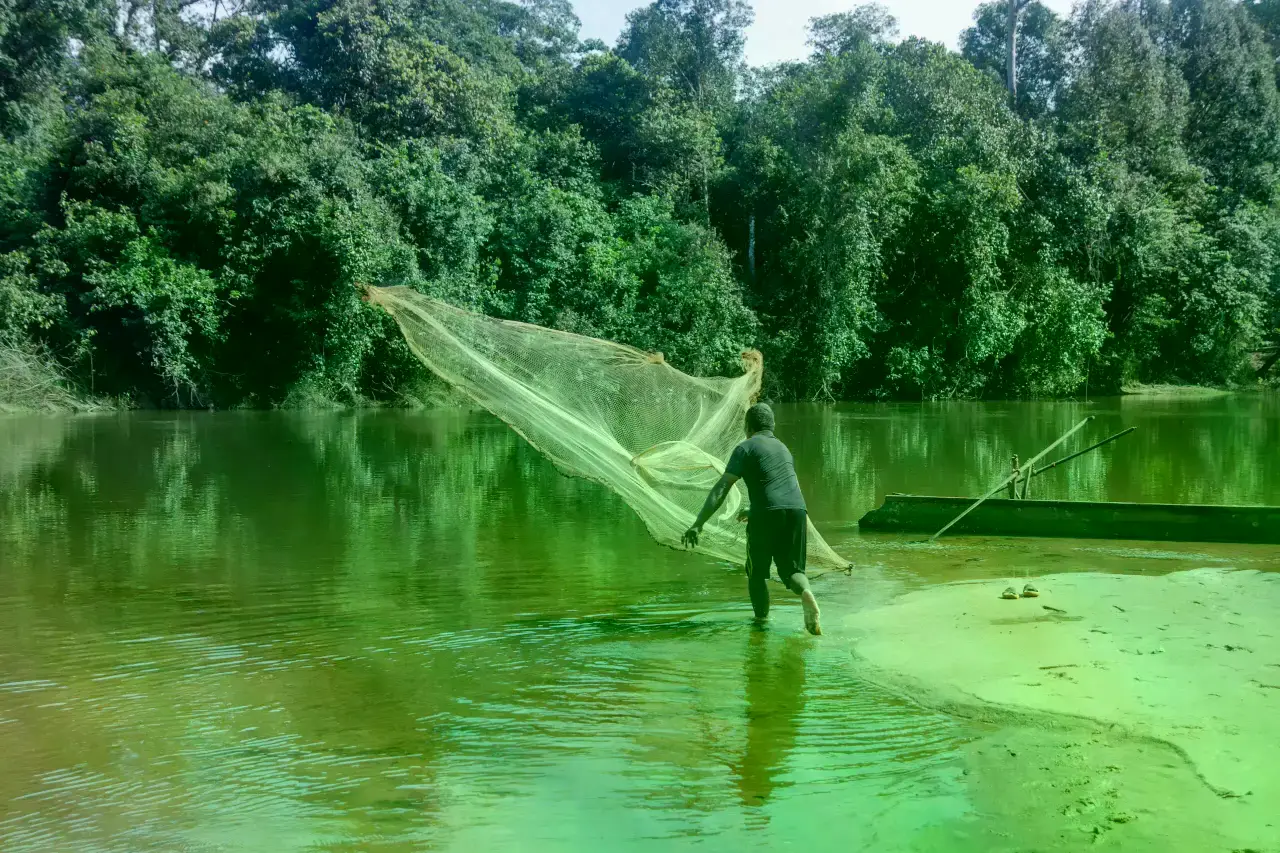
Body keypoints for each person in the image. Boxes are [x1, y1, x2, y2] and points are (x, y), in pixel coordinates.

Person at [681, 403, 822, 635]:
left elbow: (722, 487)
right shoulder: (783, 448)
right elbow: (780, 489)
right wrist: (754, 510)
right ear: (772, 425)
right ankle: (806, 592)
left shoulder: (745, 448)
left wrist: (698, 524)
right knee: (794, 572)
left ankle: (761, 624)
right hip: (797, 511)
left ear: (747, 426)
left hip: (766, 513)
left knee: (756, 574)